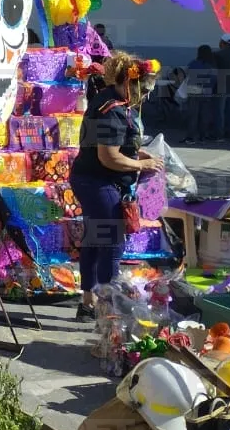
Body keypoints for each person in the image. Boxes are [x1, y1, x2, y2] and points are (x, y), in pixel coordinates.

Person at [69, 51, 164, 322]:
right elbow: (107, 156)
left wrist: (138, 155)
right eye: (143, 89)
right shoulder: (111, 109)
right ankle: (107, 309)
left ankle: (88, 303)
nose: (146, 95)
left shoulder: (115, 102)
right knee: (110, 244)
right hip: (98, 182)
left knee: (94, 240)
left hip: (93, 179)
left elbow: (113, 148)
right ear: (128, 83)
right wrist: (140, 166)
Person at [181, 45, 217, 144]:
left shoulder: (193, 63)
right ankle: (203, 136)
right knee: (205, 115)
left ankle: (191, 137)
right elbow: (214, 79)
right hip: (206, 92)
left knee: (193, 115)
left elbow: (187, 75)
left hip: (194, 91)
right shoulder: (212, 65)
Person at [213, 34, 230, 142]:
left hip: (221, 86)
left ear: (223, 43)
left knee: (219, 111)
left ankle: (218, 135)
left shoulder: (217, 55)